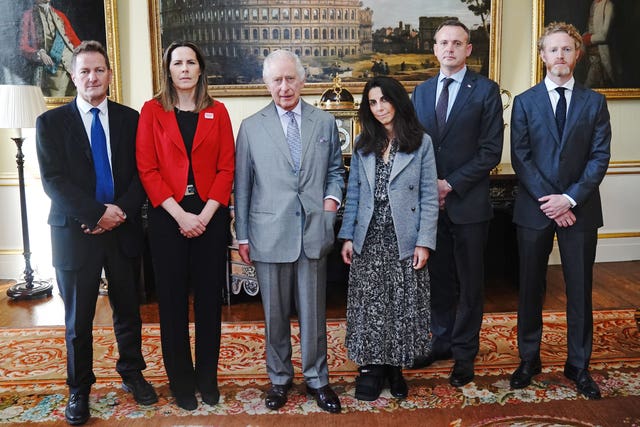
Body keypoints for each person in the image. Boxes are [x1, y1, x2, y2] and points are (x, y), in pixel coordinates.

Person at [35, 40, 157, 426]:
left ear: (109, 75)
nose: (92, 77)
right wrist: (95, 214)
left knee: (128, 311)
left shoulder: (130, 118)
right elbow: (53, 181)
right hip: (76, 233)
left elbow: (143, 173)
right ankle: (79, 388)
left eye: (99, 70)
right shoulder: (50, 123)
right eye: (84, 70)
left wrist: (116, 213)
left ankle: (132, 372)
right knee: (78, 319)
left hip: (121, 230)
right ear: (73, 76)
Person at [234, 49, 344, 414]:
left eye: (290, 78)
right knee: (275, 314)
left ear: (303, 80)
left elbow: (335, 172)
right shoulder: (251, 127)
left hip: (314, 231)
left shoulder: (324, 123)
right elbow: (243, 186)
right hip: (268, 233)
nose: (284, 87)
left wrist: (330, 205)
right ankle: (279, 379)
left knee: (313, 312)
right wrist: (244, 236)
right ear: (267, 84)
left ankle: (317, 378)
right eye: (277, 80)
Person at [509, 21, 611, 400]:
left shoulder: (594, 102)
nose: (560, 56)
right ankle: (528, 359)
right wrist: (551, 202)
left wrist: (568, 200)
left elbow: (600, 158)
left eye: (567, 49)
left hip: (579, 211)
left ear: (577, 54)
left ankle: (578, 365)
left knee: (580, 289)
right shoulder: (524, 102)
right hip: (535, 209)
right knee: (531, 287)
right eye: (553, 50)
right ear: (542, 56)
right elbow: (521, 158)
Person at [136, 41, 235, 411]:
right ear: (169, 69)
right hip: (167, 217)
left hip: (209, 215)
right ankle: (180, 380)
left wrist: (206, 216)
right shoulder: (151, 112)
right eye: (177, 63)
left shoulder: (219, 112)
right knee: (173, 303)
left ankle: (207, 378)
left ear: (200, 68)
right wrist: (181, 215)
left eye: (191, 62)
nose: (184, 69)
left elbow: (227, 168)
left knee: (210, 302)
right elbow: (148, 170)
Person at [409, 19, 504, 387]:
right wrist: (428, 186)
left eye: (457, 43)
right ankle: (442, 341)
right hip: (430, 205)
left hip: (468, 203)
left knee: (470, 282)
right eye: (443, 42)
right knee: (438, 280)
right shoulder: (420, 92)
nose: (449, 48)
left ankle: (465, 354)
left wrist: (450, 184)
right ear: (434, 49)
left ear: (468, 49)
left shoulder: (485, 91)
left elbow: (490, 151)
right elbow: (413, 146)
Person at [338, 76, 438, 401]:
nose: (380, 108)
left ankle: (396, 366)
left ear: (397, 101)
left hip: (403, 235)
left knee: (401, 303)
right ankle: (371, 368)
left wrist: (424, 241)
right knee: (370, 304)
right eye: (372, 102)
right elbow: (353, 193)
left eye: (385, 100)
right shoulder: (363, 142)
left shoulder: (421, 143)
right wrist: (348, 236)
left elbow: (427, 196)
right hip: (368, 234)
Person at [19, 0, 82, 97]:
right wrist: (39, 53)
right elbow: (23, 47)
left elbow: (76, 42)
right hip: (51, 73)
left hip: (72, 69)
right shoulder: (28, 16)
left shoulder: (60, 15)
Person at [582, 0, 615, 87]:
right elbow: (590, 29)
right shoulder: (593, 4)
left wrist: (588, 39)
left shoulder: (608, 5)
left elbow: (604, 35)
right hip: (591, 56)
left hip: (603, 54)